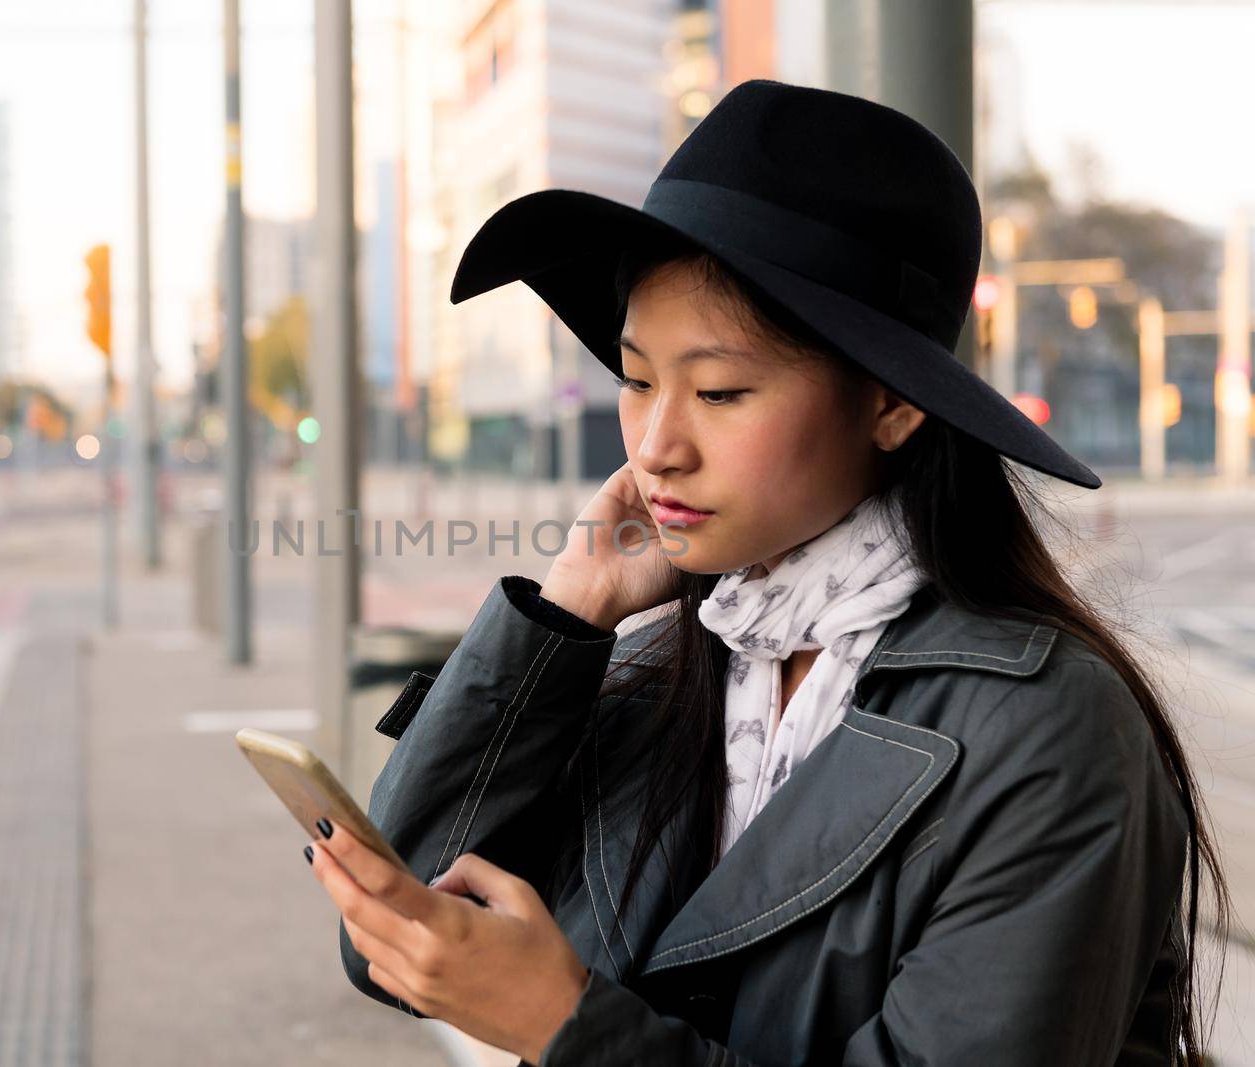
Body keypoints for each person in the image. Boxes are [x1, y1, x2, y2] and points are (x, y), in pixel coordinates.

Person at [302, 79, 1225, 1066]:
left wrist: (564, 1024)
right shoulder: (674, 661)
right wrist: (564, 618)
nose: (656, 445)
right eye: (637, 379)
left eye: (718, 389)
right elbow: (393, 935)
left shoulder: (1041, 729)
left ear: (891, 404)